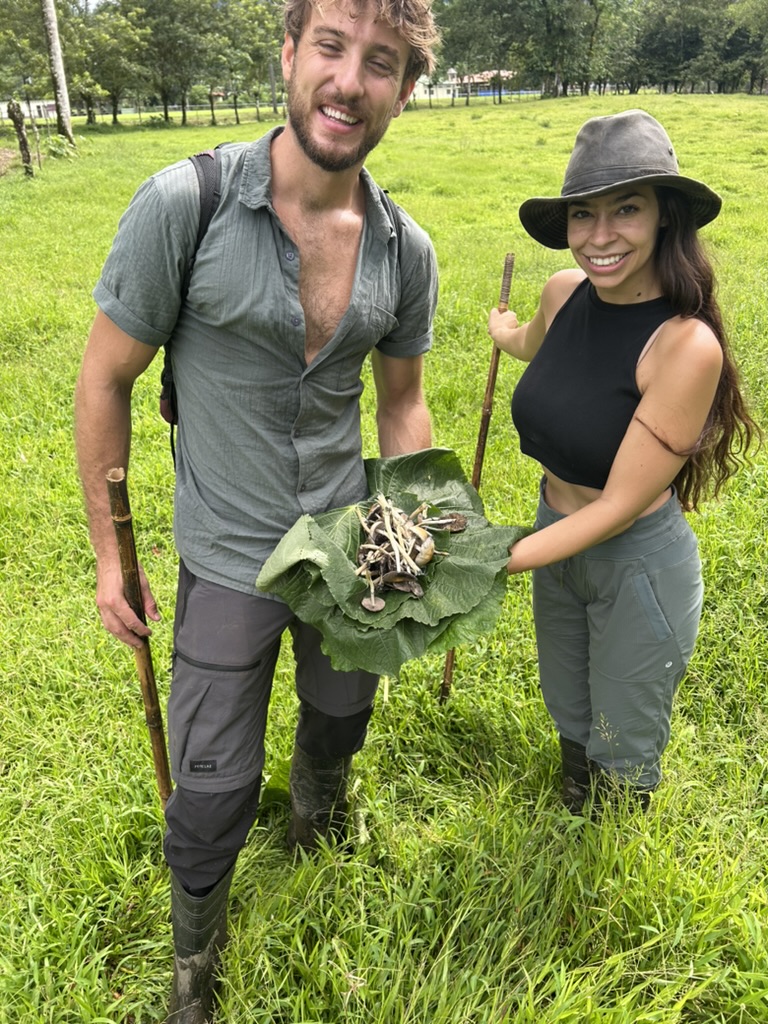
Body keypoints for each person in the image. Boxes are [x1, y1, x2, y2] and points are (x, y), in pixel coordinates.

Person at [74, 0, 440, 1018]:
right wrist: (113, 558)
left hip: (346, 542)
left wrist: (413, 547)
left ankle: (319, 828)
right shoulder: (181, 204)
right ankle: (197, 963)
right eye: (330, 47)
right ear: (288, 54)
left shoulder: (405, 249)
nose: (349, 81)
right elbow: (103, 379)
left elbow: (402, 406)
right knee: (214, 784)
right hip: (226, 554)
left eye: (381, 63)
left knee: (341, 714)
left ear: (403, 92)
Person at [488, 109, 758, 815]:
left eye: (626, 210)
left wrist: (491, 559)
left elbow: (616, 505)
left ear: (666, 217)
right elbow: (531, 345)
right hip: (558, 534)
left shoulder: (683, 346)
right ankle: (575, 796)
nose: (599, 237)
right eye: (584, 214)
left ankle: (611, 840)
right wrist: (502, 331)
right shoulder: (563, 292)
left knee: (622, 724)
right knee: (568, 701)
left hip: (634, 559)